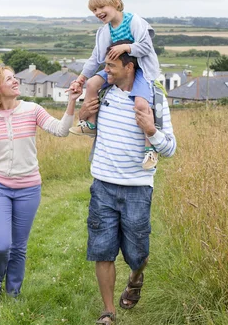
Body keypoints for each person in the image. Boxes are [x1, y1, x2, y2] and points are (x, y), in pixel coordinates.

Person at [0, 66, 82, 302]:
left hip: (29, 189)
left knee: (18, 247)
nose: (16, 81)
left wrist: (71, 102)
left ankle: (13, 291)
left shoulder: (32, 110)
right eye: (9, 79)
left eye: (15, 77)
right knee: (2, 244)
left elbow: (61, 131)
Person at [78, 43, 176, 324]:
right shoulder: (105, 92)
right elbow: (87, 131)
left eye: (110, 66)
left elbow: (169, 148)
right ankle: (108, 311)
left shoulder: (154, 98)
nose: (104, 70)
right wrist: (84, 117)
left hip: (138, 188)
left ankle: (136, 276)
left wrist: (150, 130)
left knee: (138, 252)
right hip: (103, 186)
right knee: (102, 249)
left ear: (129, 67)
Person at [68, 0, 161, 170]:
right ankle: (91, 124)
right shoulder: (104, 31)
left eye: (102, 7)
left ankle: (150, 149)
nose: (98, 12)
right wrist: (81, 78)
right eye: (94, 10)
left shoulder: (134, 21)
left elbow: (146, 47)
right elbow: (96, 58)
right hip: (117, 68)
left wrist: (127, 48)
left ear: (116, 3)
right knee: (93, 83)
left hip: (140, 68)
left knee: (141, 104)